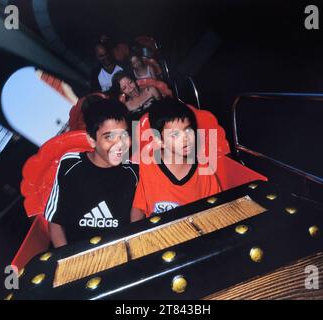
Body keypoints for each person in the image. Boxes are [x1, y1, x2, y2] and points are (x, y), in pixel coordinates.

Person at [44, 99, 139, 247]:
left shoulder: (133, 172)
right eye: (109, 137)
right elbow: (55, 224)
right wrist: (70, 262)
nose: (119, 145)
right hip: (75, 253)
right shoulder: (70, 165)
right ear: (91, 140)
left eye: (124, 135)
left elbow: (136, 224)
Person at [131, 98, 221, 221]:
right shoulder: (147, 165)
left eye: (188, 130)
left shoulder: (204, 169)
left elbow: (217, 209)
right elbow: (138, 207)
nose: (186, 138)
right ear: (159, 141)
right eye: (175, 135)